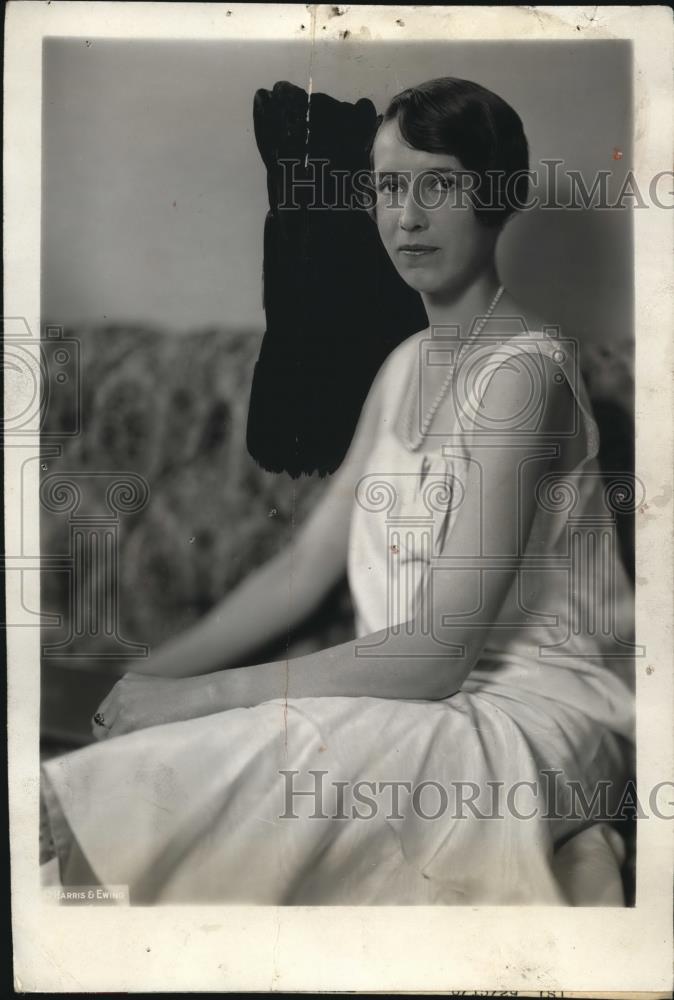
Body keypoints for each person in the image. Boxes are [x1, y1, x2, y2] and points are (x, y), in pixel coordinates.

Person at [40, 77, 635, 905]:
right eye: (391, 186)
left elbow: (435, 655)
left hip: (535, 712)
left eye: (441, 184)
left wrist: (196, 697)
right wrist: (133, 690)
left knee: (240, 768)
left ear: (499, 196)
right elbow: (301, 570)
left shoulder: (523, 375)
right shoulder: (401, 368)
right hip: (409, 701)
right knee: (152, 772)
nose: (408, 216)